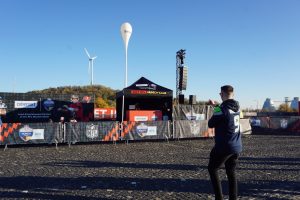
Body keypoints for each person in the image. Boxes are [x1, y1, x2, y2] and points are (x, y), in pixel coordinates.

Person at [207, 85, 242, 200]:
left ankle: (219, 198)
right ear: (233, 94)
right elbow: (226, 115)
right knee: (231, 173)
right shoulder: (238, 107)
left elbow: (211, 123)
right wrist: (216, 106)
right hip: (236, 146)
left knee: (212, 169)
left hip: (224, 146)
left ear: (222, 94)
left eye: (220, 94)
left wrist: (216, 108)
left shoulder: (222, 109)